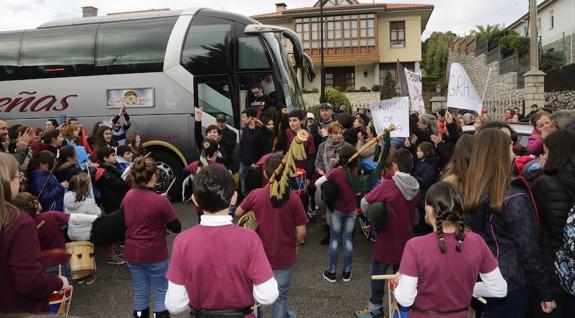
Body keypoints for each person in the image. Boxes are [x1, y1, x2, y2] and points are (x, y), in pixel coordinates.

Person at [463, 128, 555, 317]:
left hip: (489, 278)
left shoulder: (476, 191)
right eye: (509, 147)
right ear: (500, 154)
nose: (514, 151)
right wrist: (545, 290)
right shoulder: (512, 196)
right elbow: (529, 249)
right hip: (513, 283)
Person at [165, 166, 279, 316]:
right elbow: (268, 294)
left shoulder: (182, 241)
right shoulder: (249, 238)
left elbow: (174, 305)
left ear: (194, 200)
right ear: (234, 197)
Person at [394, 182, 508, 315]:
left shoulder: (415, 246)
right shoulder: (477, 241)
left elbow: (405, 299)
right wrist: (470, 289)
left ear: (430, 209)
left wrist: (399, 283)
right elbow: (499, 289)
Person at [236, 153, 308, 318]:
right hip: (284, 255)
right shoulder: (293, 199)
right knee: (280, 297)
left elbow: (239, 212)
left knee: (256, 297)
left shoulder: (256, 194)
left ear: (265, 174)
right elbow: (302, 231)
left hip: (257, 256)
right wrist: (296, 244)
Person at [0, 153, 70, 313]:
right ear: (7, 183)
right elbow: (30, 281)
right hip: (15, 308)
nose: (22, 180)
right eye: (18, 176)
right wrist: (59, 281)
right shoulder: (19, 222)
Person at [355, 149, 420, 318]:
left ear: (395, 166)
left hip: (387, 237)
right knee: (403, 278)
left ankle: (375, 308)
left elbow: (365, 202)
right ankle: (399, 311)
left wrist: (373, 217)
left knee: (378, 274)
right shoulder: (416, 186)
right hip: (407, 240)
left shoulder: (388, 185)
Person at [123, 156, 181, 318]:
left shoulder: (128, 196)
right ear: (154, 176)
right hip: (155, 252)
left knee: (140, 292)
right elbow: (176, 227)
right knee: (161, 291)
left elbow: (125, 218)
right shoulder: (160, 202)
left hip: (132, 252)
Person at [530, 129, 575, 316]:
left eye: (546, 152)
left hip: (556, 267)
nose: (542, 156)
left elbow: (553, 234)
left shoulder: (545, 182)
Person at [11, 192, 74, 280]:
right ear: (34, 203)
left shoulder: (20, 226)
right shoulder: (52, 216)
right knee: (64, 291)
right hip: (58, 261)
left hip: (37, 267)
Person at [321, 144, 359, 283]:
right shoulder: (355, 171)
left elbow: (320, 182)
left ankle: (331, 272)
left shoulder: (335, 173)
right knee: (348, 239)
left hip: (336, 210)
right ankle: (347, 272)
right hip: (351, 209)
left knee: (335, 239)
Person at [94, 147, 130, 265]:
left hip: (115, 200)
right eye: (113, 155)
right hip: (111, 202)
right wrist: (126, 179)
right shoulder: (103, 172)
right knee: (112, 228)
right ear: (105, 158)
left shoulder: (111, 168)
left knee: (116, 226)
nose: (116, 157)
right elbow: (117, 184)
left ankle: (114, 250)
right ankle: (111, 255)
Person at [239, 107, 273, 195]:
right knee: (244, 191)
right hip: (244, 165)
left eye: (244, 117)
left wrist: (258, 164)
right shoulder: (245, 130)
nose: (242, 119)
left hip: (256, 167)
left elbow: (267, 150)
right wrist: (241, 160)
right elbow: (242, 146)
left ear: (250, 118)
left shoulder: (261, 132)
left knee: (256, 191)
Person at [412, 141, 440, 235]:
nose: (417, 153)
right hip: (421, 194)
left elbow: (425, 181)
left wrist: (413, 178)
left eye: (419, 151)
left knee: (424, 216)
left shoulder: (430, 166)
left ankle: (423, 233)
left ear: (426, 152)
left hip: (425, 195)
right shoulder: (421, 161)